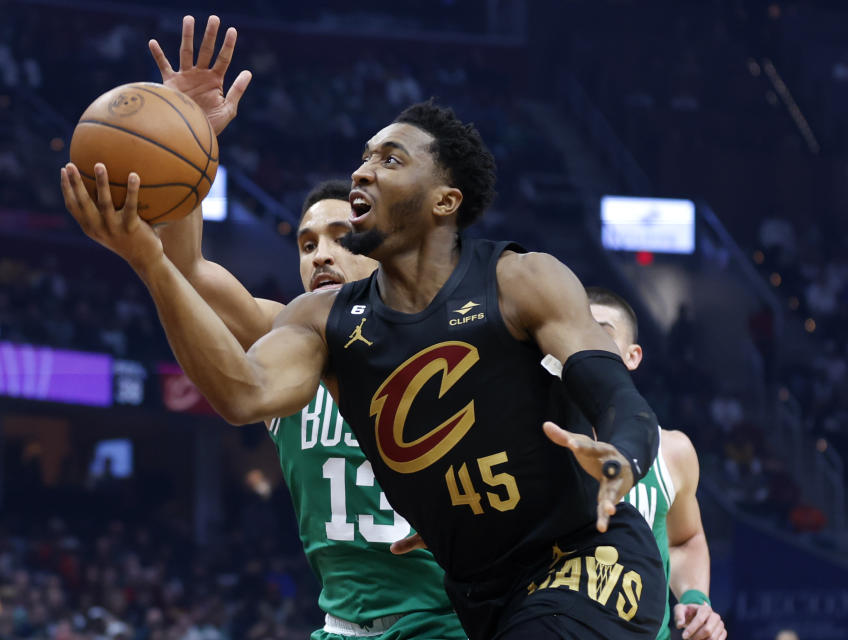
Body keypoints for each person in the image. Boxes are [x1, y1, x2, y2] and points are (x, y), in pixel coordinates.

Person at [62, 66, 665, 639]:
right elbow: (242, 392)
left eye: (390, 159)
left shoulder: (521, 280)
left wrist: (622, 458)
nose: (363, 171)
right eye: (365, 157)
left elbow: (616, 395)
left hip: (587, 560)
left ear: (444, 201)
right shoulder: (319, 324)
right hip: (478, 594)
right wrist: (149, 259)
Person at [148, 17, 467, 639]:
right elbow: (187, 267)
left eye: (340, 237)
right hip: (342, 627)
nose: (320, 253)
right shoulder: (283, 332)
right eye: (306, 242)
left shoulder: (446, 336)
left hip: (446, 623)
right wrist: (189, 138)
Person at [587, 287, 727, 640]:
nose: (583, 342)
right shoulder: (524, 443)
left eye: (600, 332)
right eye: (574, 329)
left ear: (632, 357)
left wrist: (696, 599)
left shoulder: (672, 451)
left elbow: (685, 540)